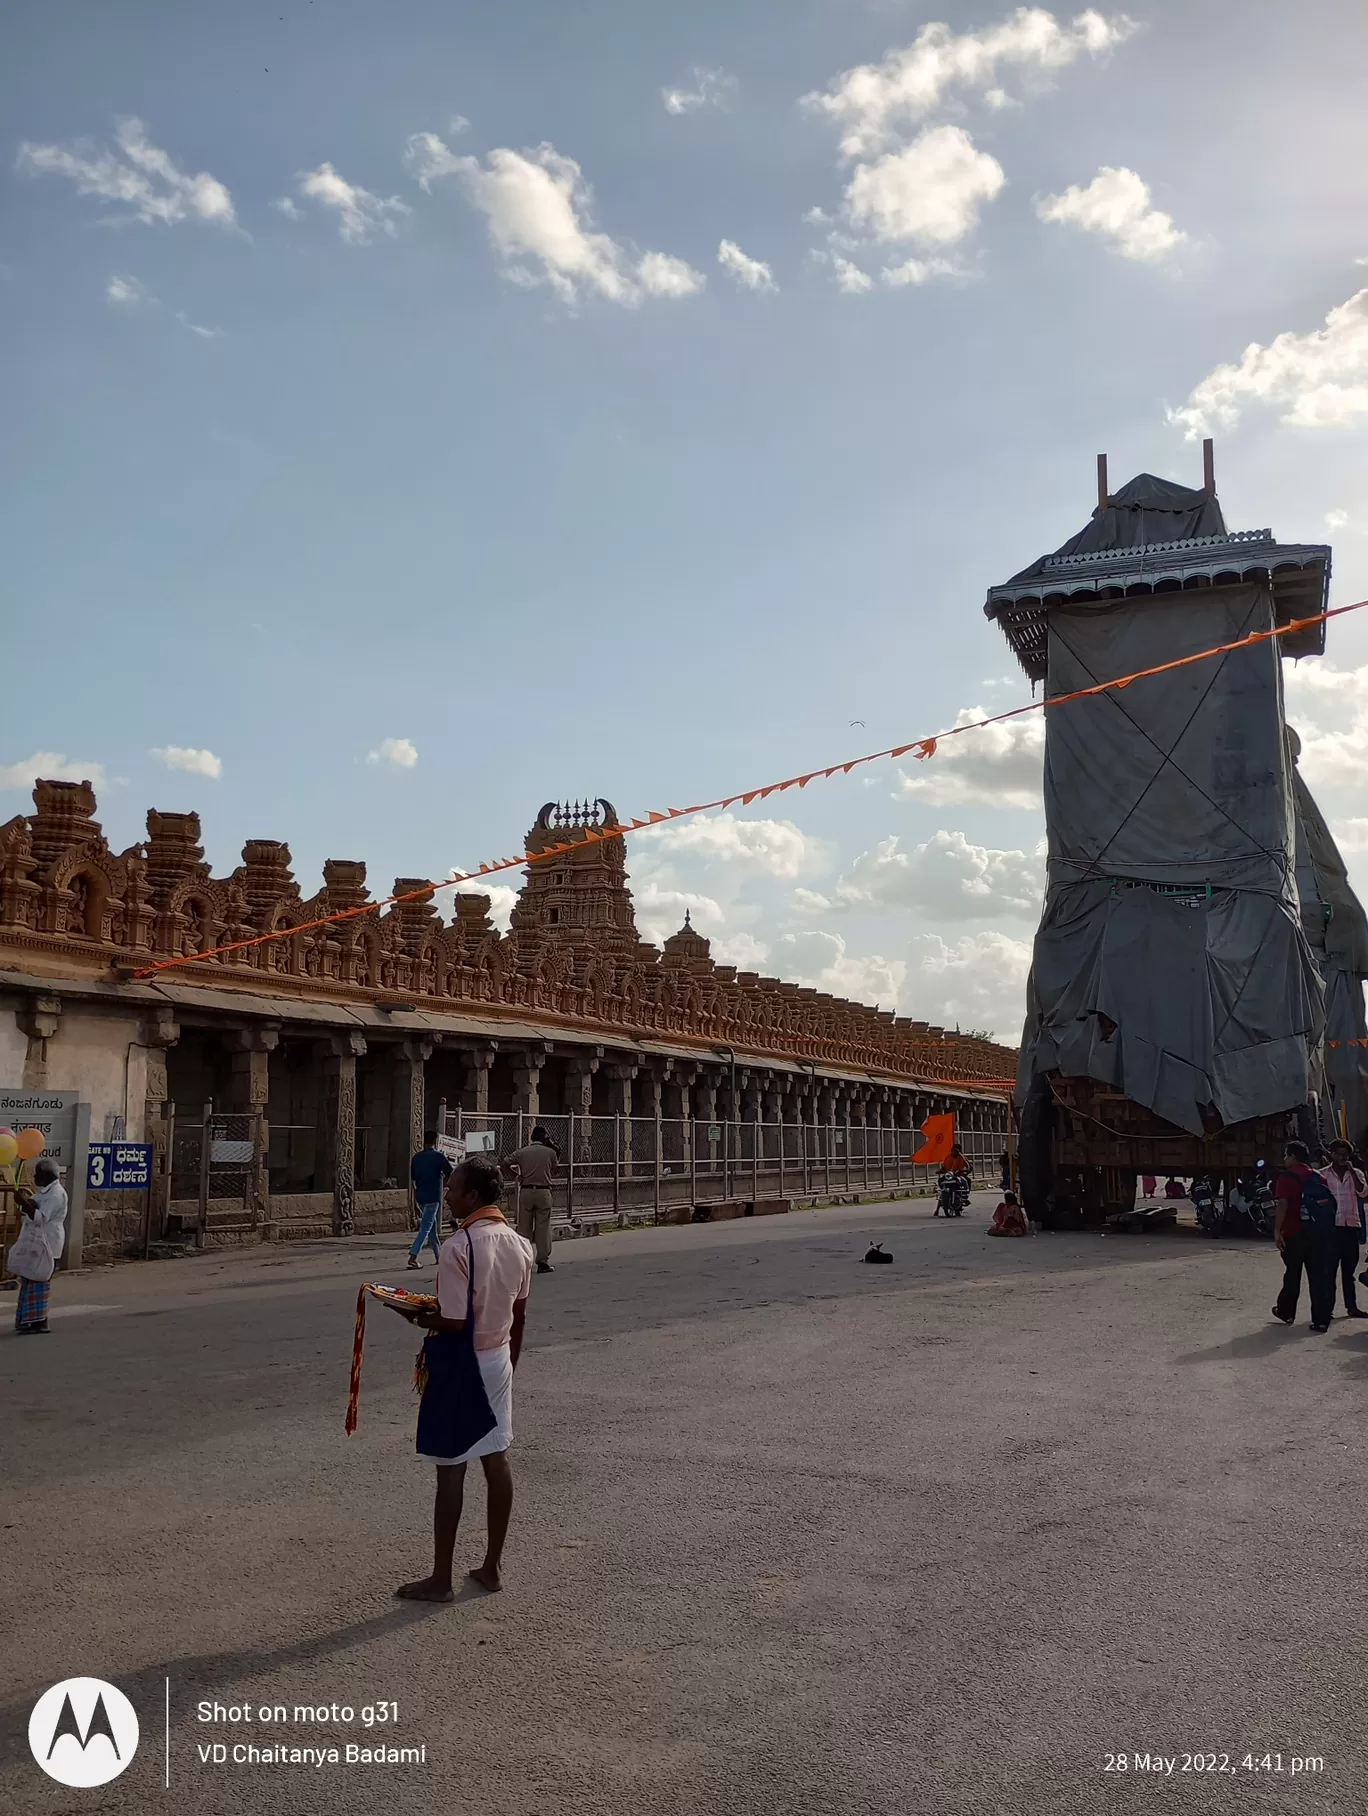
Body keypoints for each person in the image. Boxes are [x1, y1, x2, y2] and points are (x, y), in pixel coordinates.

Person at [390, 1157, 533, 1600]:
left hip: (461, 1361)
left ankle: (440, 1578)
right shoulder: (519, 1244)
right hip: (497, 1357)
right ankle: (491, 1566)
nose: (447, 1195)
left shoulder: (459, 1247)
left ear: (472, 1197)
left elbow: (452, 1320)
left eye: (452, 1189)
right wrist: (511, 1361)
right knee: (496, 1456)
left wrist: (409, 1312)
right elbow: (519, 1313)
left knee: (450, 1466)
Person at [1271, 1140, 1337, 1332]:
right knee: (1318, 1277)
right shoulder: (1319, 1177)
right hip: (1318, 1234)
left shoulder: (1286, 1178)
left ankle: (1286, 1312)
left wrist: (1277, 1231)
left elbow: (1282, 1205)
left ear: (1292, 1157)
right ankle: (1321, 1320)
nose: (1284, 1159)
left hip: (1295, 1233)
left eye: (1286, 1155)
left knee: (1293, 1274)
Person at [12, 1158, 68, 1334]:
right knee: (29, 1280)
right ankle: (28, 1320)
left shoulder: (56, 1194)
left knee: (40, 1281)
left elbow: (41, 1218)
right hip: (36, 1243)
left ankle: (39, 1321)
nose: (35, 1177)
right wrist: (26, 1202)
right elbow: (33, 1206)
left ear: (49, 1175)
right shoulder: (44, 1192)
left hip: (48, 1243)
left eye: (38, 1174)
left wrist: (24, 1204)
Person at [1319, 1139, 1368, 1319]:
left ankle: (1352, 1307)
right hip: (1331, 1229)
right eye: (1338, 1154)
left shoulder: (1357, 1173)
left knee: (1349, 1273)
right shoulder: (1322, 1175)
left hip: (1351, 1227)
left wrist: (1352, 1172)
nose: (1342, 1158)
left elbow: (1363, 1192)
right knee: (1329, 1272)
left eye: (1345, 1155)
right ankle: (1328, 1309)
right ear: (1331, 1154)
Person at [503, 1126, 560, 1274]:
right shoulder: (550, 1153)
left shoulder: (522, 1152)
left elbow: (504, 1163)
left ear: (532, 1138)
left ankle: (522, 1260)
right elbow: (555, 1168)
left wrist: (517, 1175)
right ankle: (542, 1262)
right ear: (544, 1138)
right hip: (543, 1191)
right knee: (543, 1228)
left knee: (524, 1227)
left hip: (526, 1190)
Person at [407, 1131, 454, 1270]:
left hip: (421, 1195)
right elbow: (450, 1173)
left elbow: (413, 1178)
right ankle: (413, 1257)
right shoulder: (438, 1157)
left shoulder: (416, 1158)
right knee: (426, 1227)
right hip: (433, 1195)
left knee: (431, 1227)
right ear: (435, 1141)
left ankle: (439, 1255)